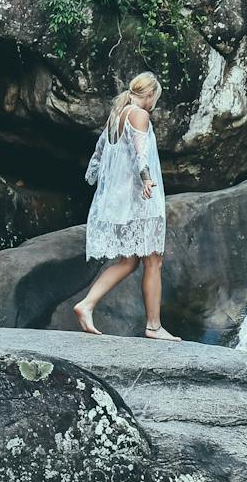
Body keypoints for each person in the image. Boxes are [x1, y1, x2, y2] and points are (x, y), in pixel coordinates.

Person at [74, 71, 179, 340]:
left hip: (120, 199)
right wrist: (145, 179)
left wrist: (95, 181)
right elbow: (140, 151)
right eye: (156, 97)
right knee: (154, 259)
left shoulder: (116, 115)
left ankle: (86, 304)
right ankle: (154, 326)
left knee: (129, 261)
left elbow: (98, 154)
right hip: (140, 198)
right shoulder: (139, 115)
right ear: (151, 94)